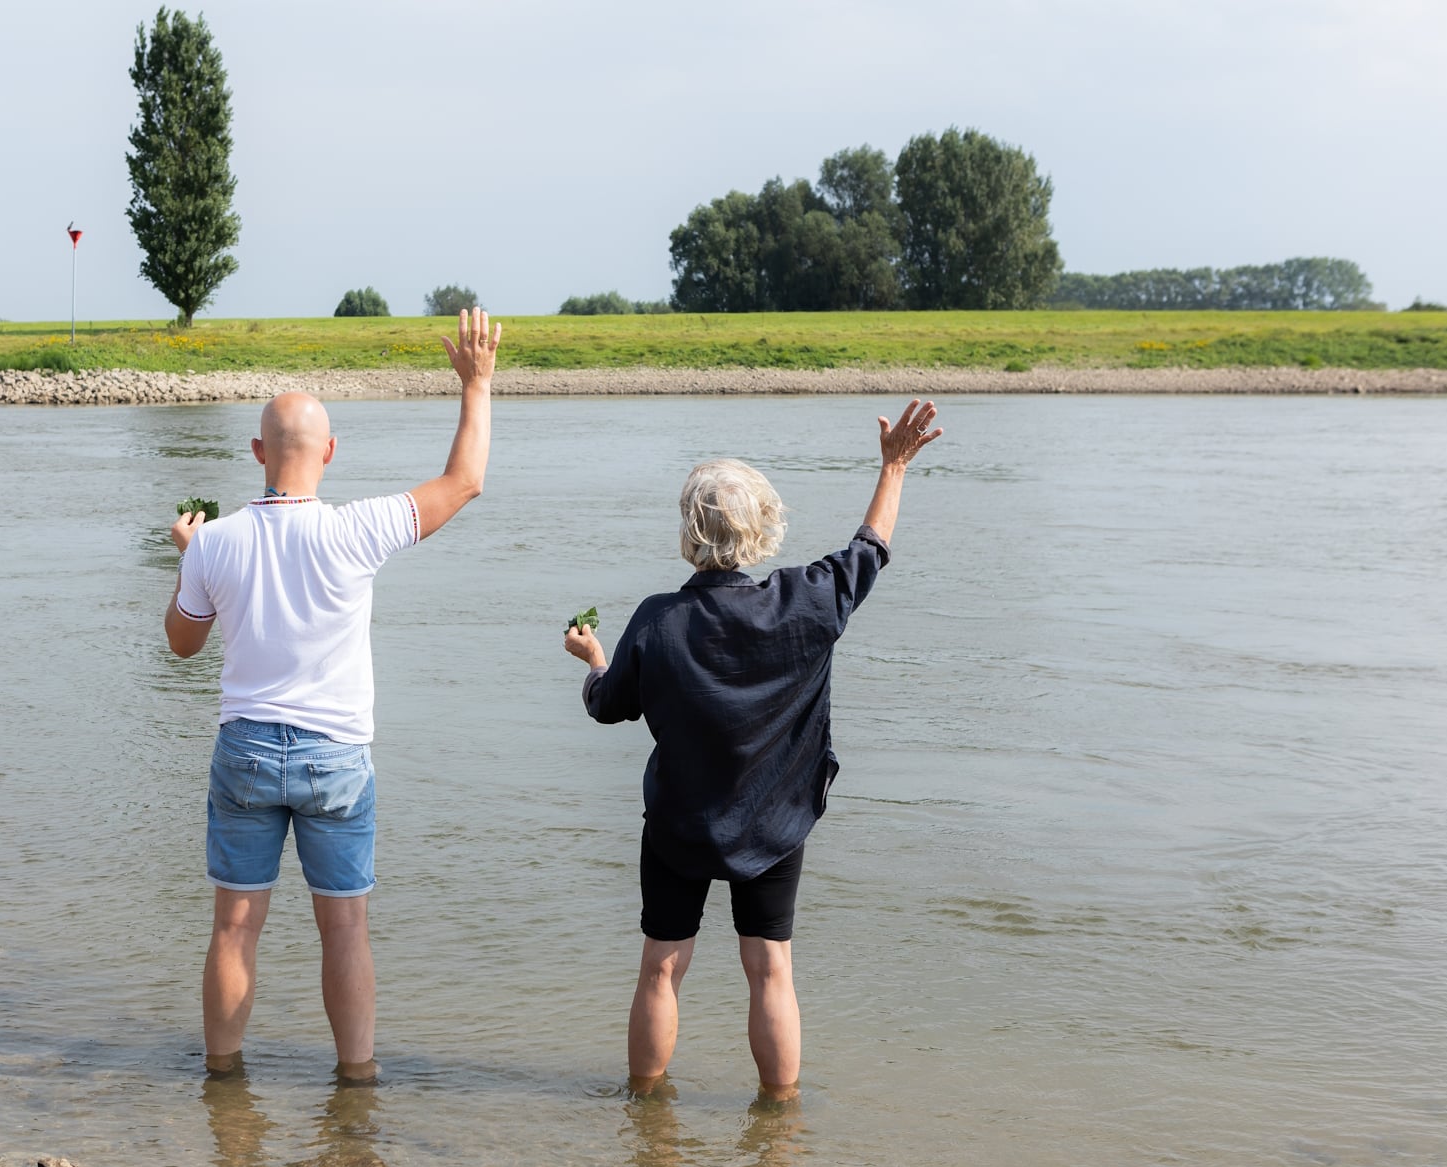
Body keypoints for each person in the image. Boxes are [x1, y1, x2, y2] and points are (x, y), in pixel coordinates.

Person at [563, 399, 942, 1101]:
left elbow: (607, 703)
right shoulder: (806, 602)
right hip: (775, 823)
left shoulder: (657, 619)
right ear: (763, 527)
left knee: (661, 969)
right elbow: (871, 548)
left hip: (679, 825)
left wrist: (592, 659)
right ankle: (780, 1123)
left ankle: (645, 1112)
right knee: (770, 970)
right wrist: (893, 467)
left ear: (690, 534)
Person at [165, 309, 502, 1081]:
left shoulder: (215, 542)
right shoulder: (358, 529)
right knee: (345, 930)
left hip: (245, 748)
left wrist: (192, 558)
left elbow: (183, 644)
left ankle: (223, 1084)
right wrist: (476, 385)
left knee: (234, 929)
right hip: (336, 757)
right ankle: (356, 1086)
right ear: (331, 454)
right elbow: (466, 481)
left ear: (257, 453)